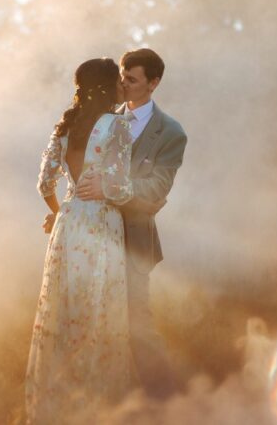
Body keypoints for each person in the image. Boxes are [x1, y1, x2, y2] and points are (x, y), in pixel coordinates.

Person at [25, 57, 134, 424]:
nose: (123, 86)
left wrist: (60, 211)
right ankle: (98, 405)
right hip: (101, 221)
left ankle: (64, 403)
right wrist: (109, 189)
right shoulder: (117, 125)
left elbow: (44, 184)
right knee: (99, 312)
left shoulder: (66, 127)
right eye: (118, 80)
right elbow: (121, 187)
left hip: (70, 224)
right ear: (107, 86)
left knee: (68, 309)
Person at [76, 48, 188, 399]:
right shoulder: (102, 118)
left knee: (137, 326)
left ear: (153, 84)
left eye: (132, 79)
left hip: (133, 242)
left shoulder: (171, 132)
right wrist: (65, 210)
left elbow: (156, 190)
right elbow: (80, 173)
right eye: (121, 75)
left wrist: (109, 189)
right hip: (90, 237)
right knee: (90, 322)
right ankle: (105, 402)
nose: (121, 83)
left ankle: (169, 404)